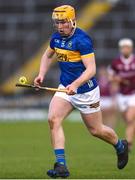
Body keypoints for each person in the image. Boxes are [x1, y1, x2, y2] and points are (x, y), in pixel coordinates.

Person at [34, 5, 128, 178]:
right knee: (53, 119)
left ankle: (120, 146)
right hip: (65, 87)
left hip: (86, 91)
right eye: (57, 23)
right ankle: (61, 165)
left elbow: (91, 70)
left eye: (63, 22)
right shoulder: (56, 38)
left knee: (96, 130)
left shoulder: (82, 40)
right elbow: (47, 55)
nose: (59, 26)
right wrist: (41, 74)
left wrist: (76, 85)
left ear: (72, 21)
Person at [109, 38, 135, 152]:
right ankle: (129, 140)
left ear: (131, 48)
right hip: (121, 94)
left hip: (133, 93)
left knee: (130, 118)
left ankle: (128, 143)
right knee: (127, 120)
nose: (125, 49)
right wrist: (117, 79)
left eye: (127, 47)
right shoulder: (116, 63)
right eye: (123, 47)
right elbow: (110, 77)